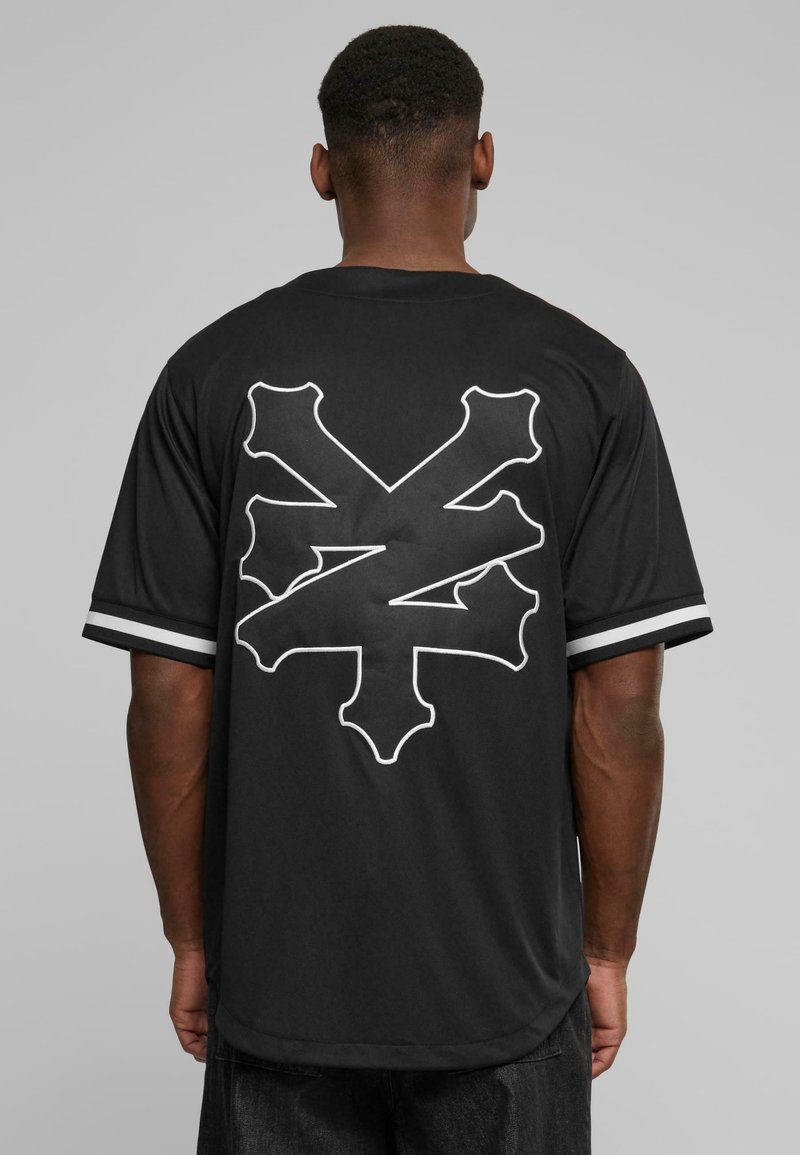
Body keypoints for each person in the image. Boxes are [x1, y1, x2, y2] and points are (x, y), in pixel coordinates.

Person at [82, 24, 712, 1155]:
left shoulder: (211, 373)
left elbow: (168, 692)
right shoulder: (587, 377)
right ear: (483, 159)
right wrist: (604, 950)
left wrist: (192, 939)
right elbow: (620, 702)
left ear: (322, 169)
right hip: (510, 989)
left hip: (277, 978)